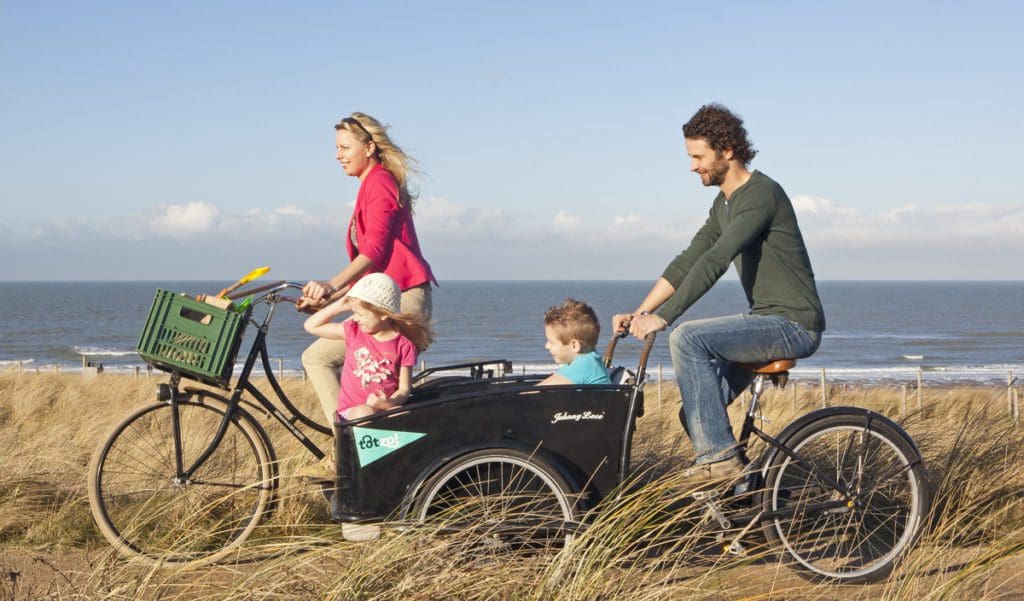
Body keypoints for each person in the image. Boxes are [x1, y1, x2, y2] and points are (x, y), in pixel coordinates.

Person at [613, 103, 825, 488]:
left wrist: (665, 318)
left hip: (793, 323)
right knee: (694, 414)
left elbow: (716, 259)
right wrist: (640, 311)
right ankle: (742, 497)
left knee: (687, 337)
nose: (693, 166)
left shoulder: (761, 195)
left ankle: (721, 464)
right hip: (766, 321)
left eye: (698, 156)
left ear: (727, 150)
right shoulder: (723, 204)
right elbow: (688, 260)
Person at [297, 112, 437, 429]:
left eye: (345, 148)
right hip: (385, 296)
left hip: (400, 299)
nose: (338, 155)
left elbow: (373, 252)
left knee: (316, 359)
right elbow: (368, 274)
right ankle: (352, 444)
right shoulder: (371, 185)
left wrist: (331, 286)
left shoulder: (380, 182)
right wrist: (329, 300)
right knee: (341, 371)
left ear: (369, 147)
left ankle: (344, 446)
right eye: (337, 148)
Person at [303, 273, 432, 424]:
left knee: (404, 415)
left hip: (383, 408)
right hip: (353, 411)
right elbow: (310, 326)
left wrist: (388, 404)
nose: (355, 318)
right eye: (354, 313)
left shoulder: (404, 345)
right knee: (366, 412)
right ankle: (356, 446)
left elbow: (404, 389)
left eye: (360, 314)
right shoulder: (354, 331)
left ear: (384, 314)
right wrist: (338, 307)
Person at [539, 298, 612, 386]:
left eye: (551, 342)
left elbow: (539, 390)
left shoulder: (584, 366)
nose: (546, 346)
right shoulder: (590, 359)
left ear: (574, 346)